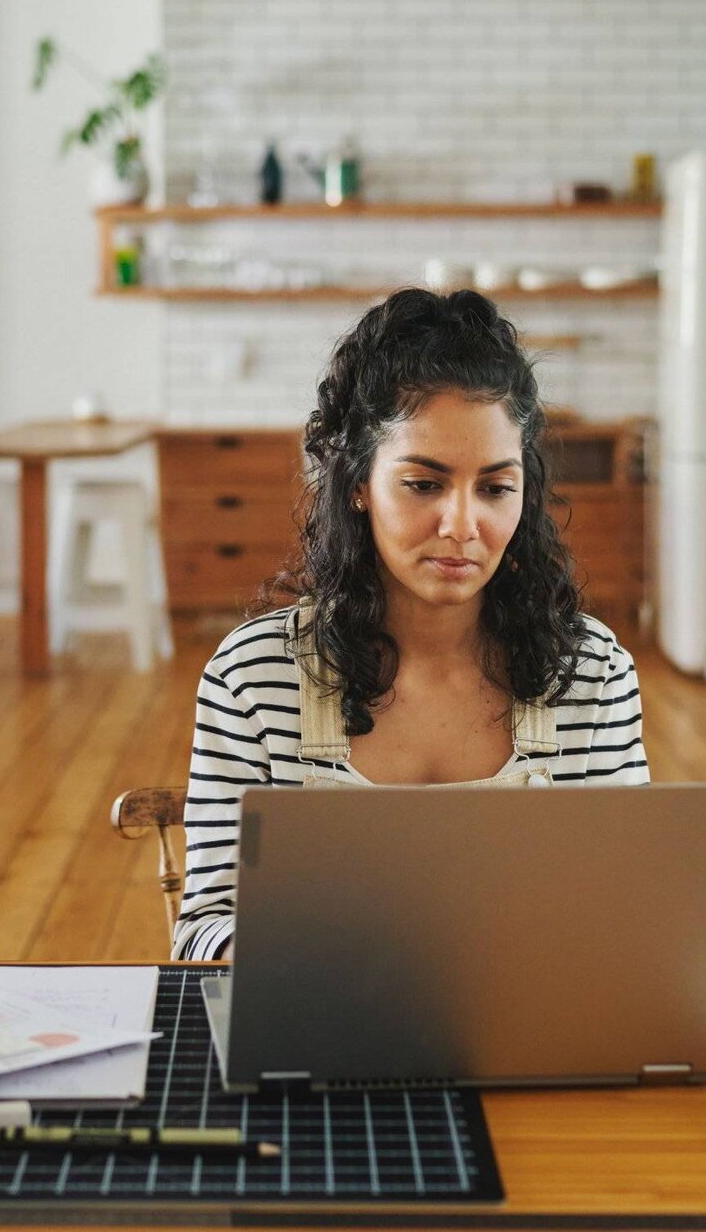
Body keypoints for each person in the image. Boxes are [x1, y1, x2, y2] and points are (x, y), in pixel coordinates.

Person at [172, 288, 649, 961]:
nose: (462, 525)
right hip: (322, 1037)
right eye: (424, 484)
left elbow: (627, 918)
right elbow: (201, 930)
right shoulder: (253, 677)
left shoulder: (594, 673)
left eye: (495, 487)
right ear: (358, 483)